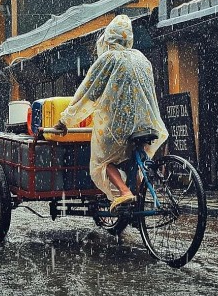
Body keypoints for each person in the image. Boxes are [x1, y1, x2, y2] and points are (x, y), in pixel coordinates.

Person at [53, 14, 168, 213]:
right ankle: (137, 192)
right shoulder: (142, 58)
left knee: (102, 161)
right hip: (147, 122)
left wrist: (66, 120)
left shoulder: (109, 58)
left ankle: (124, 192)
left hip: (118, 125)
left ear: (109, 37)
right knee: (134, 157)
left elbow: (88, 92)